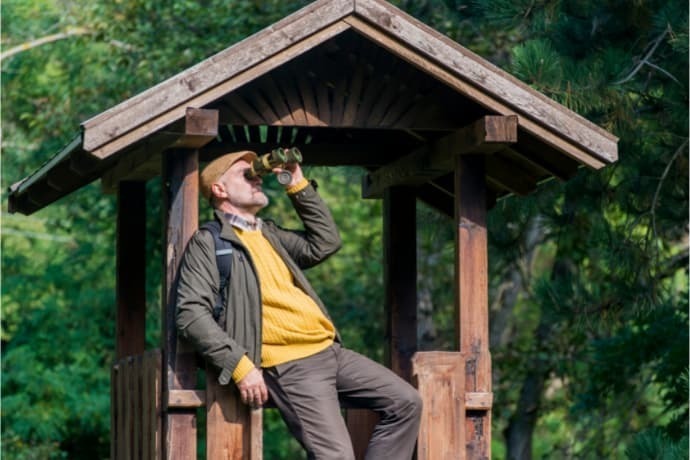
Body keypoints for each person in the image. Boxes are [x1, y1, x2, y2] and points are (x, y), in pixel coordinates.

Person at [176, 150, 422, 460]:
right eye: (246, 175)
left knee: (406, 403)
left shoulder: (270, 234)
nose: (257, 178)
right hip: (290, 364)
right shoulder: (210, 242)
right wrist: (240, 366)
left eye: (257, 174)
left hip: (330, 351)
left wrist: (297, 184)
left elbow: (325, 243)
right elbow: (190, 314)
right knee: (336, 456)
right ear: (220, 190)